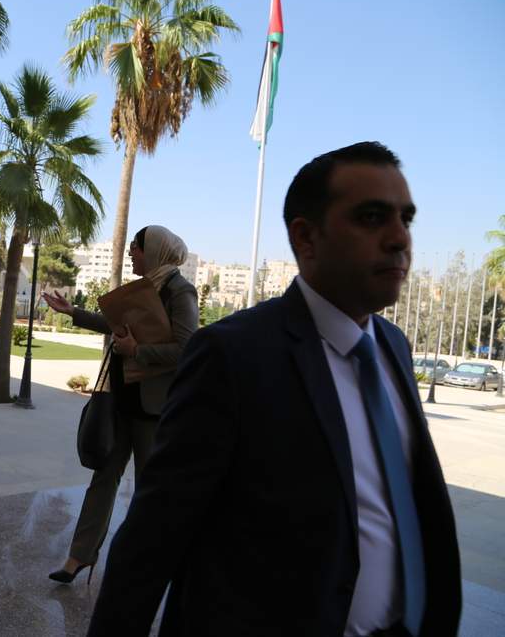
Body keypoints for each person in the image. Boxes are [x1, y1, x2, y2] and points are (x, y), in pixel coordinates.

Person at [88, 143, 461, 637]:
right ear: (305, 238)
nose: (399, 239)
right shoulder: (232, 354)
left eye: (405, 219)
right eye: (372, 217)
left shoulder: (394, 346)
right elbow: (154, 535)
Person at [42, 226, 198, 584]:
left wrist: (137, 351)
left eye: (136, 248)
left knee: (149, 488)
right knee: (103, 478)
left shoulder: (178, 289)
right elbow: (118, 326)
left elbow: (188, 348)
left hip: (154, 409)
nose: (131, 254)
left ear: (155, 251)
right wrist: (73, 312)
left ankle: (148, 562)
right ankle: (78, 557)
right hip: (121, 399)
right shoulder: (144, 288)